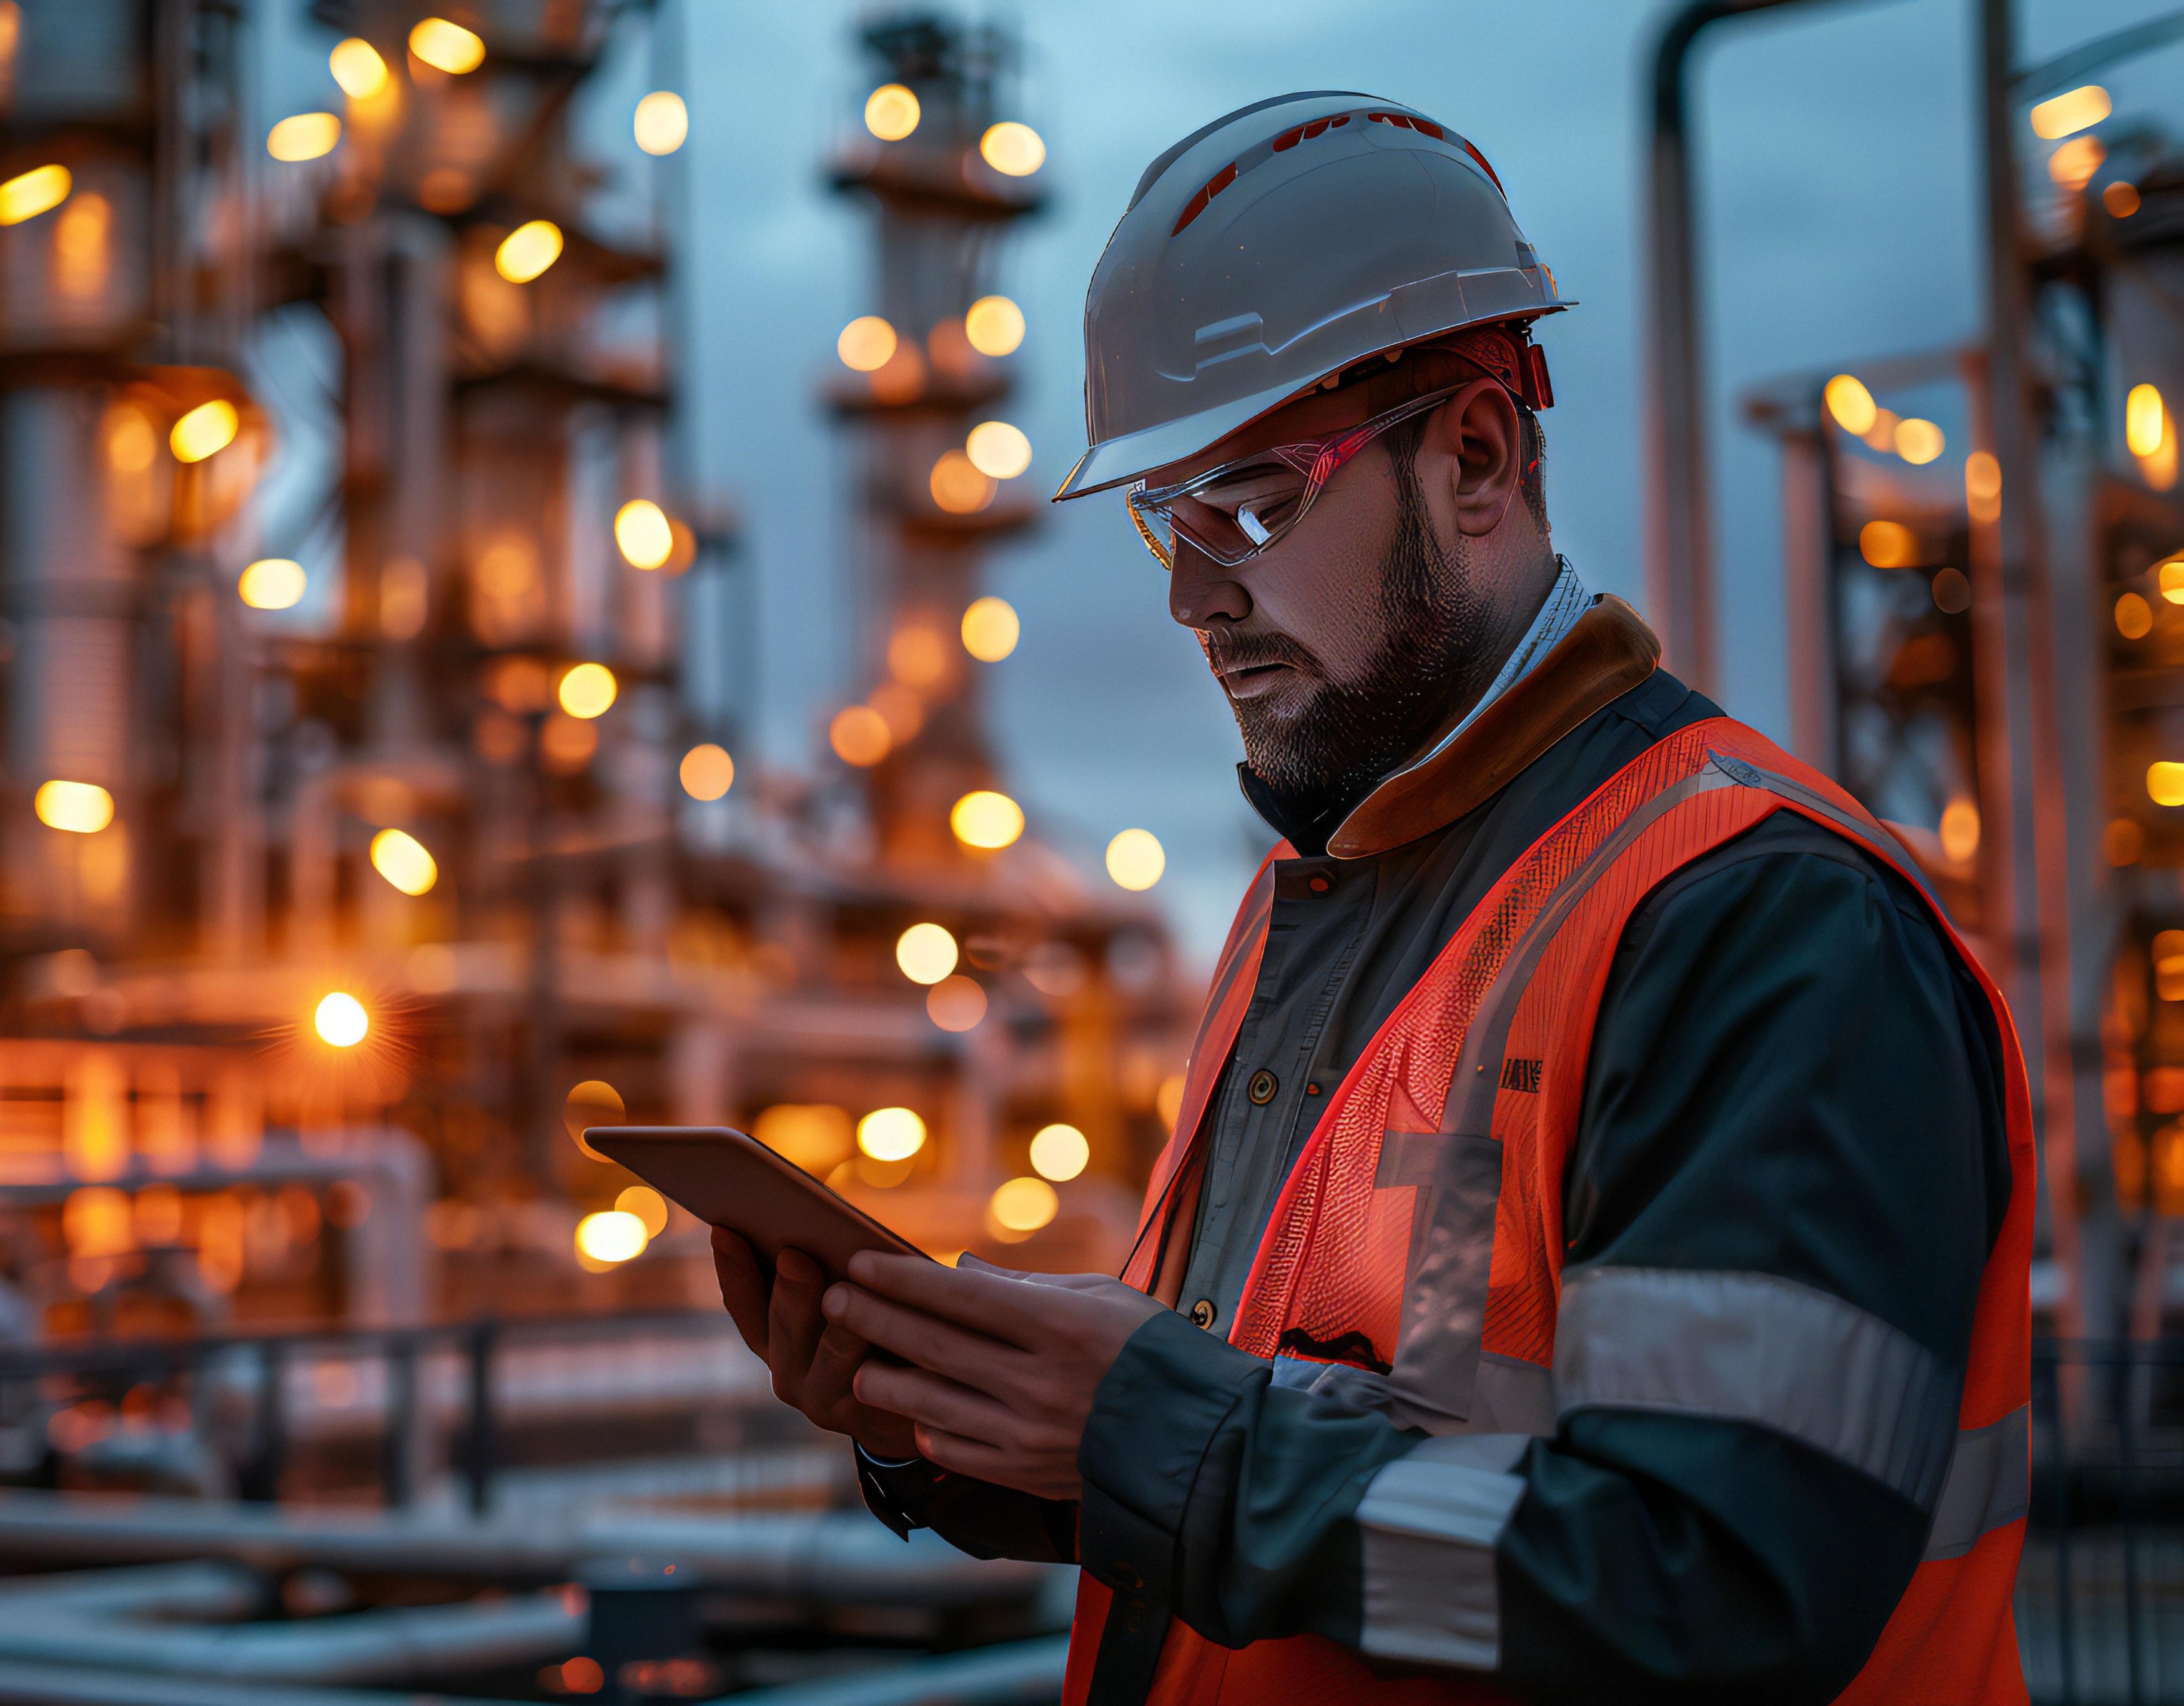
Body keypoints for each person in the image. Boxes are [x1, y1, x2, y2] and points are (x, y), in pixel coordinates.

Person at [714, 92, 2032, 1705]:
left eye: (1250, 502)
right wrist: (972, 1418)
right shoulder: (1310, 904)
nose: (1196, 594)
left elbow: (1717, 1580)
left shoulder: (1761, 922)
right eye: (1164, 521)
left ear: (1473, 455)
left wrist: (1148, 1421)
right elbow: (1315, 1464)